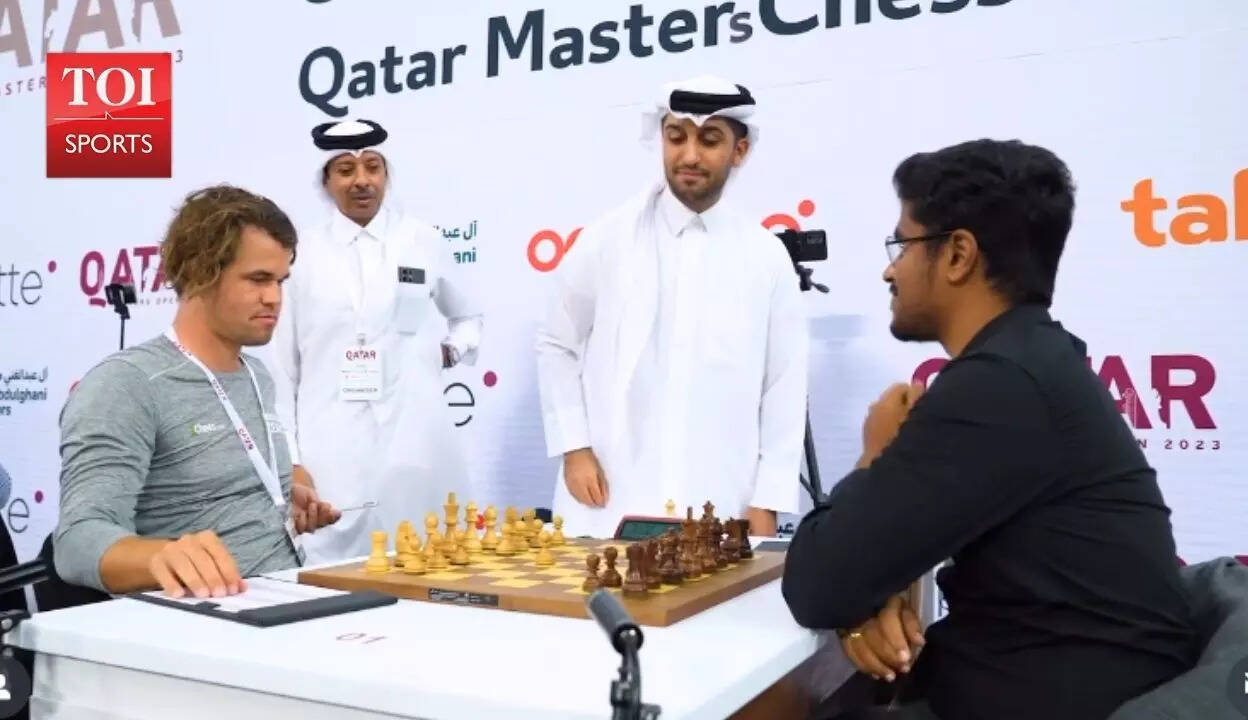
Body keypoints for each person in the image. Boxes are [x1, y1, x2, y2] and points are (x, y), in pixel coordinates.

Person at [781, 139, 1198, 719]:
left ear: (958, 255)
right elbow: (872, 557)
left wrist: (874, 453)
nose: (888, 269)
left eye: (901, 245)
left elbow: (817, 583)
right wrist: (872, 594)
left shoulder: (1001, 386)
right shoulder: (1033, 361)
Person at [536, 75, 808, 539]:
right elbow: (557, 343)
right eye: (676, 137)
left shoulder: (766, 256)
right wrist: (574, 448)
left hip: (720, 493)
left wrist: (768, 498)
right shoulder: (605, 240)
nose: (689, 156)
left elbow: (785, 382)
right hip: (610, 492)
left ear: (739, 151)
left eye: (710, 140)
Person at [54, 185, 341, 599]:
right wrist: (161, 556)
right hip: (202, 622)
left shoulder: (257, 375)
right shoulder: (126, 383)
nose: (275, 298)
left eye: (280, 281)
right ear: (199, 273)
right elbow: (76, 542)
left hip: (289, 600)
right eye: (258, 280)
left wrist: (278, 503)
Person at [267, 119, 483, 565]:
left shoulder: (423, 241)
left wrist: (451, 350)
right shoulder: (299, 254)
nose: (361, 180)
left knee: (427, 558)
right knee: (334, 565)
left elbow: (468, 317)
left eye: (372, 167)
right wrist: (291, 459)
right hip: (331, 443)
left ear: (387, 174)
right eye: (346, 170)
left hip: (415, 436)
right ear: (326, 182)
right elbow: (281, 369)